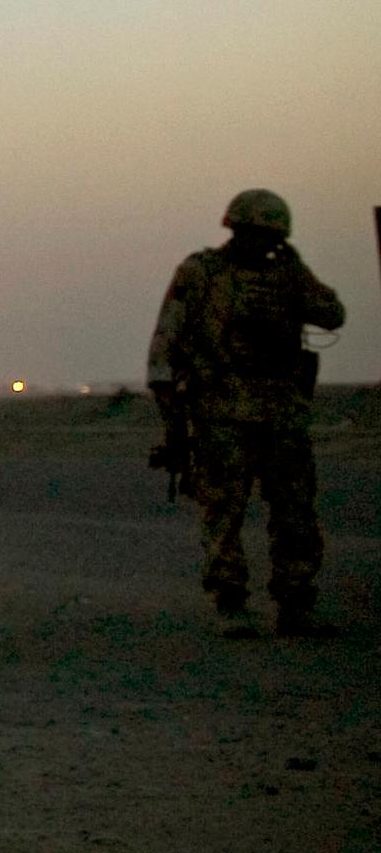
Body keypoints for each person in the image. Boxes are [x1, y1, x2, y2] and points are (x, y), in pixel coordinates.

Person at [148, 188, 347, 638]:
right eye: (255, 234)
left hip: (282, 413)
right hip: (222, 412)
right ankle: (230, 603)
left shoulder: (289, 277)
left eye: (270, 238)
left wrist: (298, 275)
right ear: (235, 230)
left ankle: (296, 604)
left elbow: (333, 315)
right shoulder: (201, 273)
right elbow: (165, 348)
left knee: (296, 513)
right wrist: (173, 422)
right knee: (223, 513)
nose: (262, 245)